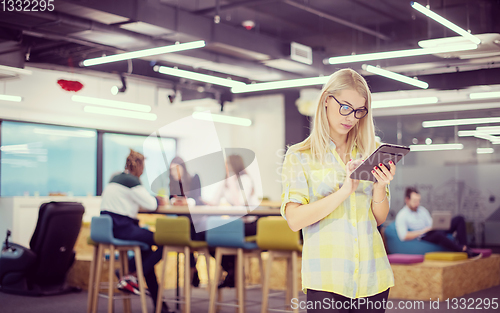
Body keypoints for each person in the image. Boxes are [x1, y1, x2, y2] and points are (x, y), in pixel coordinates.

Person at [281, 69, 394, 312]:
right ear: (326, 101)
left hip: (373, 276)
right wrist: (345, 191)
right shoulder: (300, 155)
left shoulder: (370, 150)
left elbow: (379, 218)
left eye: (359, 111)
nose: (351, 117)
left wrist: (381, 187)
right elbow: (294, 220)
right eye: (345, 107)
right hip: (327, 277)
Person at [100, 149, 173, 313]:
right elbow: (152, 205)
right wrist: (158, 199)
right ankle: (131, 275)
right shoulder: (131, 181)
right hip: (122, 228)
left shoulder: (115, 179)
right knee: (166, 241)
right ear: (139, 166)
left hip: (111, 228)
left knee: (146, 254)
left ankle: (161, 306)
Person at [210, 154, 259, 289]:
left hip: (249, 224)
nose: (227, 169)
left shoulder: (245, 180)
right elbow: (214, 202)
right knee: (210, 238)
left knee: (220, 236)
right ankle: (233, 272)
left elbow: (239, 205)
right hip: (235, 224)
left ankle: (234, 274)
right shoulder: (226, 181)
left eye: (229, 165)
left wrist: (232, 183)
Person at [395, 187, 481, 259]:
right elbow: (403, 236)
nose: (417, 204)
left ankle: (465, 246)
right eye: (414, 201)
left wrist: (436, 225)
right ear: (407, 200)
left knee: (459, 219)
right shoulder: (402, 215)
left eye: (418, 201)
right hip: (424, 236)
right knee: (438, 235)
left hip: (432, 230)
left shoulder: (422, 210)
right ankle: (463, 250)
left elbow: (431, 223)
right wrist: (423, 231)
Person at [168, 156, 205, 287]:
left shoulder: (194, 179)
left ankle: (193, 270)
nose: (174, 173)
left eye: (176, 169)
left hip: (194, 220)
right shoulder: (173, 183)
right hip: (182, 221)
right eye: (172, 170)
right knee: (185, 230)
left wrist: (186, 201)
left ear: (183, 168)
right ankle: (193, 270)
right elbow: (170, 200)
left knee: (188, 231)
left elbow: (197, 199)